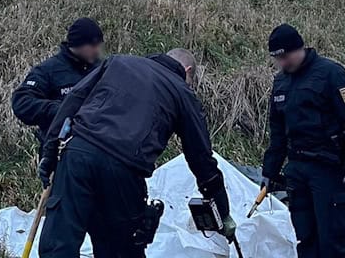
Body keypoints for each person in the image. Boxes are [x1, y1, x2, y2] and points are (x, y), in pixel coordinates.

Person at [37, 49, 235, 258]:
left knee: (58, 245)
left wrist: (49, 154)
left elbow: (73, 100)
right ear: (187, 71)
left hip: (78, 153)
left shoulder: (117, 62)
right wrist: (222, 211)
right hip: (122, 170)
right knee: (121, 249)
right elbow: (201, 158)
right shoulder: (182, 92)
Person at [260, 24, 345, 258]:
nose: (282, 63)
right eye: (277, 59)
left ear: (298, 48)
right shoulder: (281, 82)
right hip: (297, 169)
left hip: (328, 168)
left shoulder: (331, 73)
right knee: (306, 237)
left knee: (332, 239)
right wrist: (270, 171)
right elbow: (277, 131)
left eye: (285, 57)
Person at [12, 18, 105, 151]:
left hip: (98, 148)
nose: (97, 51)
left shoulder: (101, 69)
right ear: (79, 44)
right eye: (93, 45)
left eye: (99, 45)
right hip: (59, 151)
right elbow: (21, 102)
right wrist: (60, 110)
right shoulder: (48, 71)